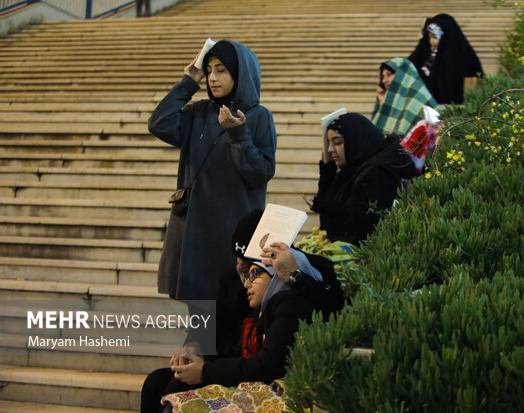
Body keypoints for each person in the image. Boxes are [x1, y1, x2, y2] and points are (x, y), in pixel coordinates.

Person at [140, 209, 343, 413]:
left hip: (259, 376)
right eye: (238, 260)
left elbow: (335, 304)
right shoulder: (233, 279)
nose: (242, 274)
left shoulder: (294, 292)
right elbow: (211, 322)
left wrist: (296, 276)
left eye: (250, 267)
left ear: (270, 263)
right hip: (232, 365)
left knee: (175, 394)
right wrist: (192, 346)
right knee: (157, 382)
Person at [148, 40, 277, 301]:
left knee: (228, 306)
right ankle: (198, 340)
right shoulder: (199, 112)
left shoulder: (258, 116)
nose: (212, 78)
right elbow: (159, 124)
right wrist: (188, 83)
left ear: (240, 74)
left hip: (230, 230)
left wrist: (237, 133)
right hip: (193, 228)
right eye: (208, 70)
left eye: (221, 70)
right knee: (198, 308)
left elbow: (260, 172)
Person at [301, 113, 419, 244]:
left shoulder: (377, 173)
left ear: (355, 140)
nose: (330, 149)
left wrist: (325, 206)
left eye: (337, 143)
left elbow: (363, 224)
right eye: (329, 143)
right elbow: (330, 216)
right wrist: (327, 172)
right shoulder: (356, 167)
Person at [408, 13, 483, 104]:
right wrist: (421, 42)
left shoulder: (458, 58)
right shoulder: (429, 55)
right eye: (429, 37)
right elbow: (412, 64)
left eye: (435, 37)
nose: (431, 41)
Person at [372, 57, 438, 136]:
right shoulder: (394, 102)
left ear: (402, 74)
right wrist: (382, 104)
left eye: (389, 74)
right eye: (383, 76)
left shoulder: (420, 101)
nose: (384, 81)